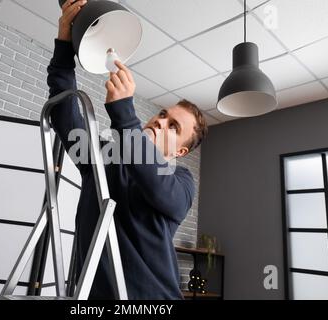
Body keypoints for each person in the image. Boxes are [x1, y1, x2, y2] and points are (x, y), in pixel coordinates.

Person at [47, 0, 208, 299]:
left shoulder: (182, 183)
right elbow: (63, 111)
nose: (160, 123)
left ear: (180, 152)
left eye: (173, 127)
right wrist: (64, 44)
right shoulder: (104, 158)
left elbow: (157, 186)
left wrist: (124, 113)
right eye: (162, 114)